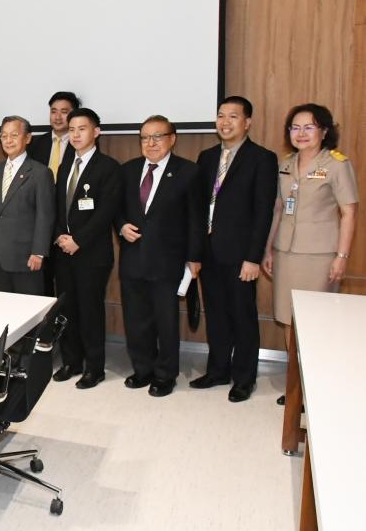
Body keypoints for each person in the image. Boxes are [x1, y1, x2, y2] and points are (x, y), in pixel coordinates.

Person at [263, 103, 358, 403]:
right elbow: (278, 209)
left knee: (316, 323)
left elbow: (349, 212)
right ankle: (296, 387)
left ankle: (315, 389)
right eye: (295, 127)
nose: (301, 133)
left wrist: (342, 256)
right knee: (288, 320)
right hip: (286, 253)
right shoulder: (286, 164)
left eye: (309, 127)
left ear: (324, 131)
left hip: (319, 256)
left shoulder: (337, 164)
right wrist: (268, 248)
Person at [193, 96, 277, 403]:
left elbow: (263, 212)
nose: (225, 122)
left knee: (243, 317)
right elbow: (199, 207)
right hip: (209, 251)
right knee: (216, 314)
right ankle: (218, 370)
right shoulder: (206, 157)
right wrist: (195, 251)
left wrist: (253, 258)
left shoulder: (262, 158)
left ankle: (244, 378)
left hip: (241, 255)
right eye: (220, 115)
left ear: (247, 122)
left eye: (233, 116)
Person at [117, 115, 204, 397]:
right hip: (133, 259)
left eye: (157, 136)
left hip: (168, 261)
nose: (151, 143)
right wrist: (121, 225)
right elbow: (116, 208)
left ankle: (165, 375)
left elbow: (196, 219)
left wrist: (194, 257)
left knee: (166, 322)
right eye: (145, 137)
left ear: (172, 139)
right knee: (135, 320)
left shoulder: (188, 172)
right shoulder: (128, 170)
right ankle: (143, 369)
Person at [51, 108, 122, 389]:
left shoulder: (108, 167)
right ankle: (72, 361)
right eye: (72, 129)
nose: (76, 134)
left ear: (96, 132)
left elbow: (106, 213)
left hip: (91, 254)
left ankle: (94, 368)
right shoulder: (66, 164)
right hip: (63, 251)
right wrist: (59, 235)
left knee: (90, 311)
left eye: (82, 129)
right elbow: (58, 207)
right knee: (67, 309)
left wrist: (78, 240)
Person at [0, 115, 54, 295]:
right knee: (3, 307)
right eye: (4, 136)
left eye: (14, 135)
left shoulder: (40, 172)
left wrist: (38, 252)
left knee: (29, 309)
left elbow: (45, 215)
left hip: (27, 258)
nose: (8, 140)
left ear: (27, 138)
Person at [28, 91, 81, 297]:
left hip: (68, 227)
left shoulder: (81, 145)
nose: (58, 117)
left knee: (68, 288)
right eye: (53, 111)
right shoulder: (35, 144)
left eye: (64, 112)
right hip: (38, 225)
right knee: (41, 286)